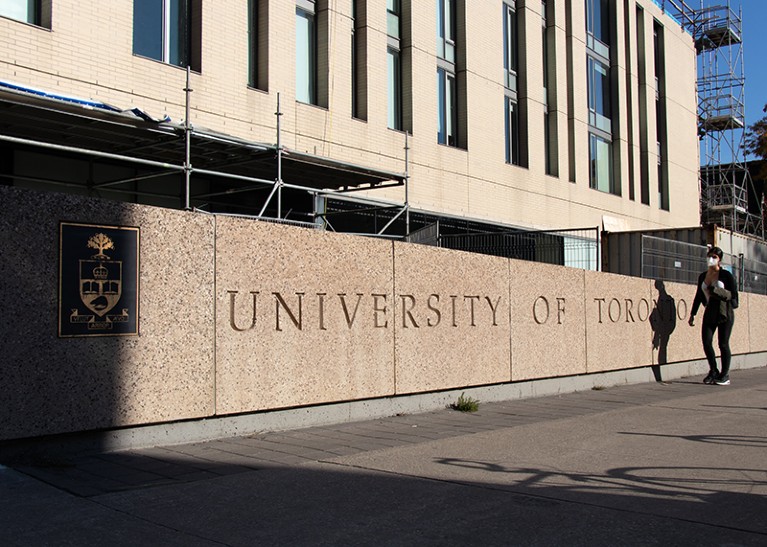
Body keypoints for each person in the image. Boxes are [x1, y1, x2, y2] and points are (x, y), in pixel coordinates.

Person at [688, 246, 738, 385]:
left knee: (723, 343)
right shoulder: (703, 276)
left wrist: (716, 291)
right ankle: (713, 370)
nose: (711, 259)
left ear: (719, 260)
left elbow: (734, 296)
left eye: (714, 257)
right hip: (710, 310)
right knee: (706, 342)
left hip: (725, 311)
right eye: (709, 256)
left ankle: (724, 375)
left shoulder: (726, 275)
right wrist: (693, 313)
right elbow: (699, 295)